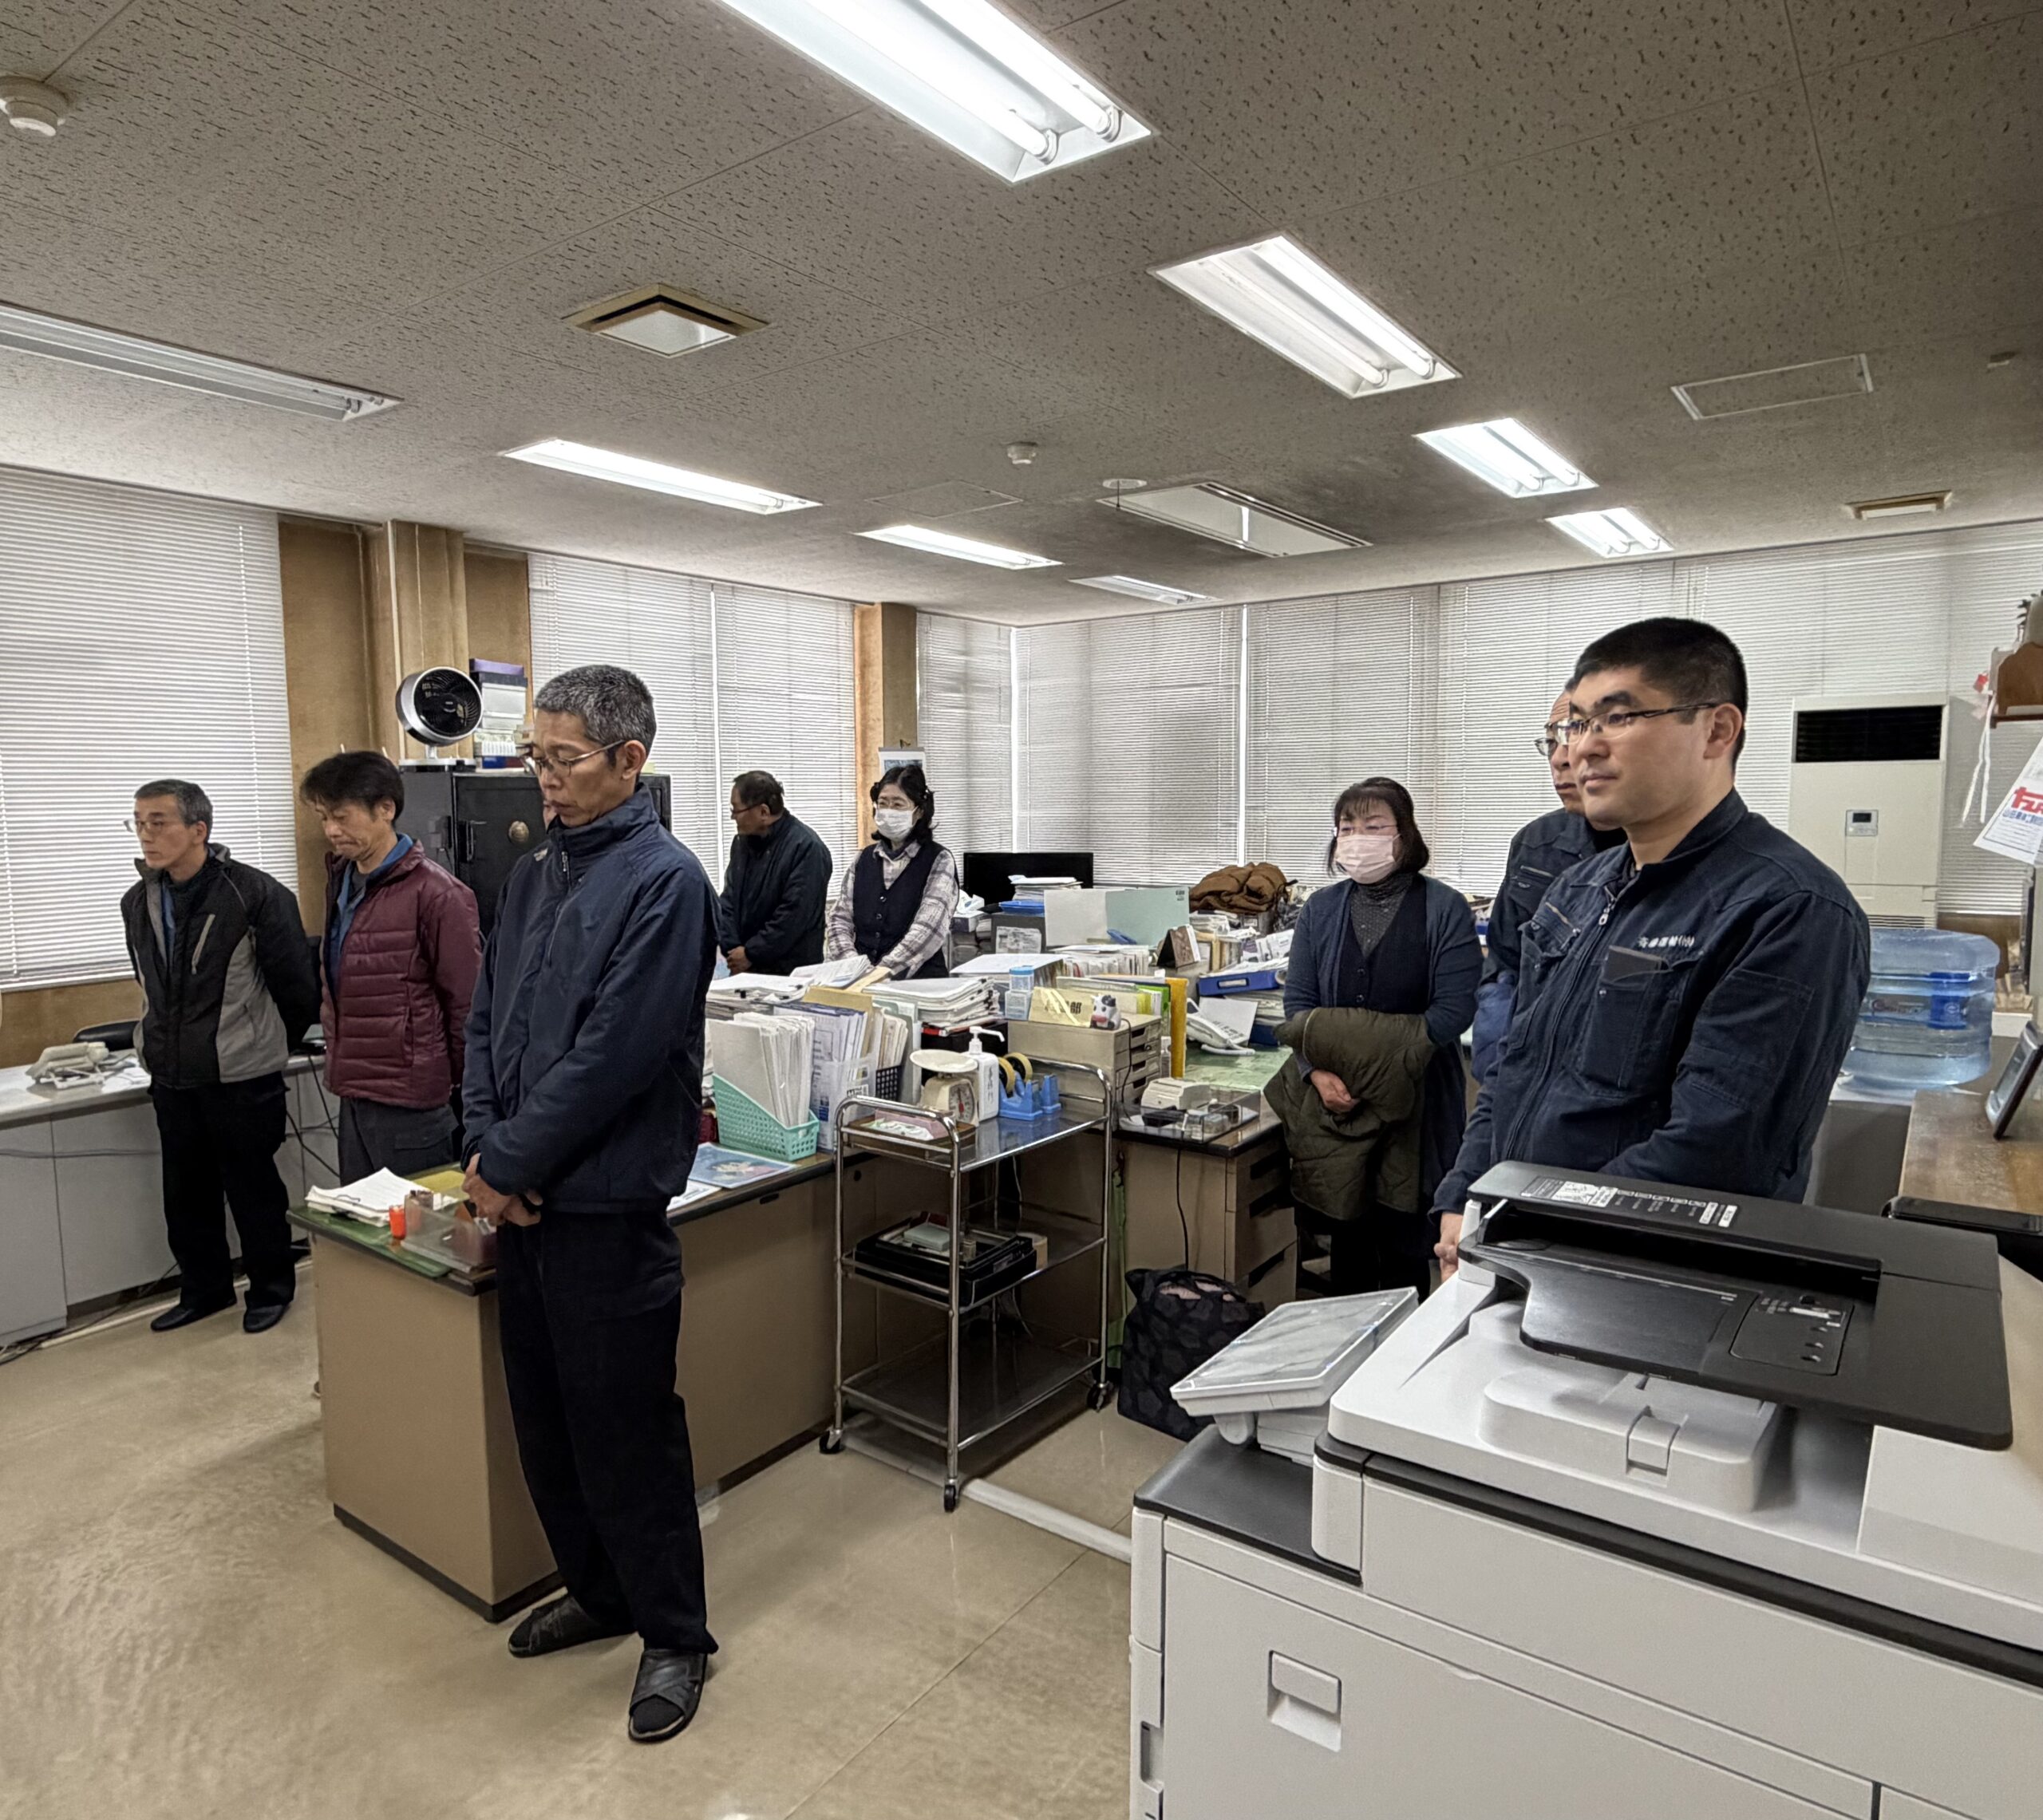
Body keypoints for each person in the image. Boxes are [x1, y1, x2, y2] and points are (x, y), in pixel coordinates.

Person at [1435, 618, 1872, 1277]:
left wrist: (1520, 1231)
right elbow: (1516, 1069)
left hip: (1643, 1277)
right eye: (1576, 723)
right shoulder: (1579, 888)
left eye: (1617, 718)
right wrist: (1464, 1195)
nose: (1581, 748)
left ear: (1717, 730)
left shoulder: (1789, 908)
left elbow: (1718, 1152)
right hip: (1518, 1249)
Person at [462, 664, 718, 1746]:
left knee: (627, 1433)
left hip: (607, 1211)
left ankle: (674, 1633)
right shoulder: (537, 871)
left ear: (630, 759)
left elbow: (615, 1055)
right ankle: (598, 1592)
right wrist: (484, 1149)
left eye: (563, 758)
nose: (544, 776)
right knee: (548, 1426)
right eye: (538, 755)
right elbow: (489, 1017)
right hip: (524, 1206)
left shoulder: (668, 882)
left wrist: (510, 1162)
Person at [121, 779, 321, 1334]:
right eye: (138, 822)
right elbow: (148, 983)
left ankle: (272, 1289)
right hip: (172, 1074)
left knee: (253, 1190)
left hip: (241, 1076)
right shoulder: (137, 901)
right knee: (186, 1194)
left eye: (159, 821)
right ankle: (204, 1290)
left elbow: (297, 989)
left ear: (198, 830)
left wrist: (261, 1045)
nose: (146, 834)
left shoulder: (254, 893)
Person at [1268, 779, 1481, 1297]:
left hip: (1420, 1110)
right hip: (1338, 1107)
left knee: (1408, 1255)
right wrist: (1315, 1072)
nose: (1358, 838)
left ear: (1404, 835)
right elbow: (1300, 1006)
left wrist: (1376, 1067)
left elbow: (1453, 1011)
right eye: (1347, 828)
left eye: (1374, 826)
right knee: (1350, 1248)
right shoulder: (1321, 910)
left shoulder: (1445, 908)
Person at [301, 752, 481, 1180]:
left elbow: (469, 1004)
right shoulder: (342, 881)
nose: (331, 830)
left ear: (385, 809)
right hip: (355, 1089)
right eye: (324, 818)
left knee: (419, 1217)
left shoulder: (437, 893)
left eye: (341, 817)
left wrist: (466, 1094)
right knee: (360, 1215)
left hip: (412, 1099)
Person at [1471, 689, 1626, 1081]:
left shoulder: (1686, 859)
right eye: (1553, 740)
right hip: (1527, 1069)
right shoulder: (1536, 844)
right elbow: (1504, 964)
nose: (1560, 759)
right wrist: (1498, 1065)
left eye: (1576, 733)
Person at [824, 763, 958, 979]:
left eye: (898, 805)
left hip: (918, 984)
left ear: (918, 812)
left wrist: (882, 972)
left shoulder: (939, 860)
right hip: (858, 980)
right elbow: (840, 920)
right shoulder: (863, 859)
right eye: (883, 803)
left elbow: (928, 930)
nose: (888, 811)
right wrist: (853, 966)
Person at [716, 769, 832, 976]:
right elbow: (729, 900)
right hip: (743, 968)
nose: (733, 817)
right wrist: (733, 949)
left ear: (763, 812)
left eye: (736, 810)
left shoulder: (806, 848)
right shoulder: (742, 843)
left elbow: (793, 917)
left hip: (790, 974)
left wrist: (751, 953)